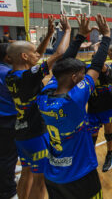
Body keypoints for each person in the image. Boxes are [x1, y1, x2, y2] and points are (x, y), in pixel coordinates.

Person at [36, 13, 111, 198]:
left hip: (53, 175)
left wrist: (79, 36)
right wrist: (107, 36)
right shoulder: (75, 100)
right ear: (75, 78)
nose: (84, 76)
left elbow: (61, 66)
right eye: (81, 74)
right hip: (80, 175)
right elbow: (96, 66)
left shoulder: (44, 95)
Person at [5, 15, 71, 199]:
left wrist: (49, 34)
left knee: (26, 174)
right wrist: (67, 31)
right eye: (34, 53)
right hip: (36, 135)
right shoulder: (29, 76)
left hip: (20, 135)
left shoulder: (11, 76)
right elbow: (59, 54)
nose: (38, 55)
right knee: (40, 181)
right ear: (25, 56)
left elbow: (35, 58)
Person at [87, 55, 112, 172]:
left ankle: (109, 154)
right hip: (93, 108)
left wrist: (98, 50)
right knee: (92, 136)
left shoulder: (108, 69)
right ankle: (91, 157)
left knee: (109, 133)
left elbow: (102, 67)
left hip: (108, 107)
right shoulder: (87, 71)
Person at [0, 43, 18, 199]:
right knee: (8, 157)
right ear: (8, 57)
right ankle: (8, 191)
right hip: (7, 121)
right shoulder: (8, 74)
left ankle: (8, 181)